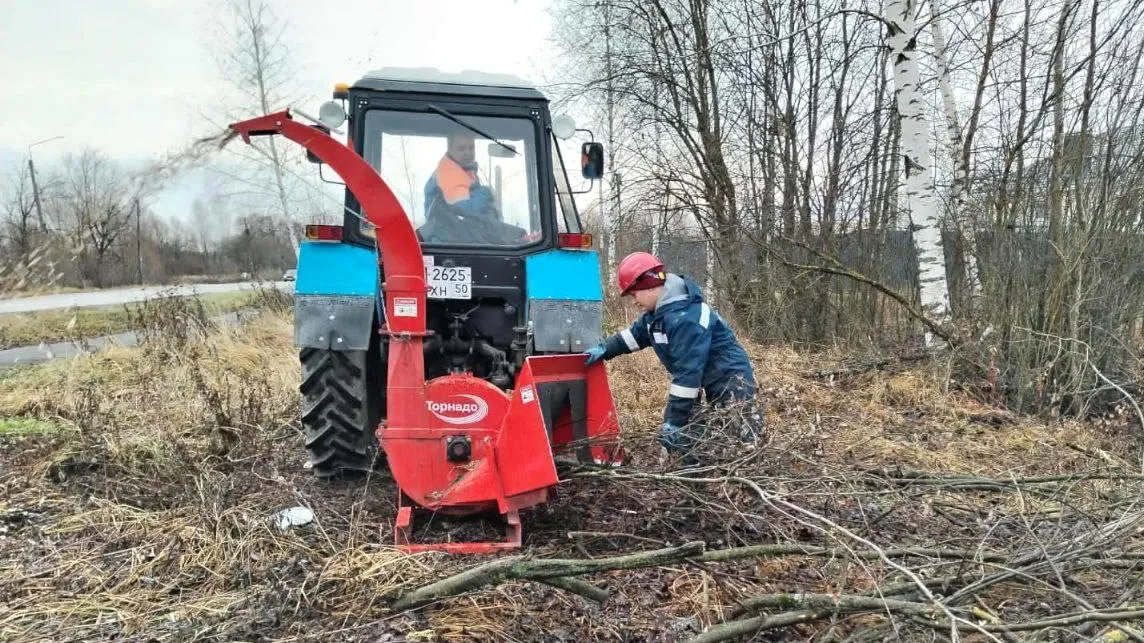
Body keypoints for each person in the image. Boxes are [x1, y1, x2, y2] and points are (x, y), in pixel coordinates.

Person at [584, 252, 762, 465]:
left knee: (739, 429)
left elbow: (688, 374)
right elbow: (633, 337)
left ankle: (749, 475)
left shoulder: (684, 318)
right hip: (699, 375)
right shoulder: (656, 316)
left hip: (730, 374)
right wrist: (605, 349)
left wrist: (676, 421)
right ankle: (695, 470)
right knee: (685, 424)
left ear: (649, 286)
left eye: (634, 295)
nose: (634, 302)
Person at [418, 133, 531, 245]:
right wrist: (486, 194)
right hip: (448, 243)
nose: (468, 152)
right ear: (450, 151)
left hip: (462, 238)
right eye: (461, 149)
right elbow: (464, 208)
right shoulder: (446, 174)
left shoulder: (466, 172)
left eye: (471, 148)